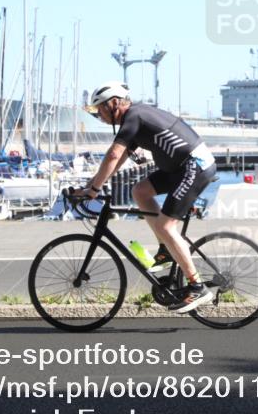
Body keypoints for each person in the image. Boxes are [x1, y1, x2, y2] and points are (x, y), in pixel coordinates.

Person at [81, 81, 217, 313]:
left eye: (99, 111)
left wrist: (93, 190)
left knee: (166, 225)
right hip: (179, 168)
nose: (99, 117)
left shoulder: (134, 116)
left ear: (113, 104)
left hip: (195, 166)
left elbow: (114, 154)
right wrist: (91, 184)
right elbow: (120, 158)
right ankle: (166, 249)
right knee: (140, 191)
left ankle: (197, 286)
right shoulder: (133, 120)